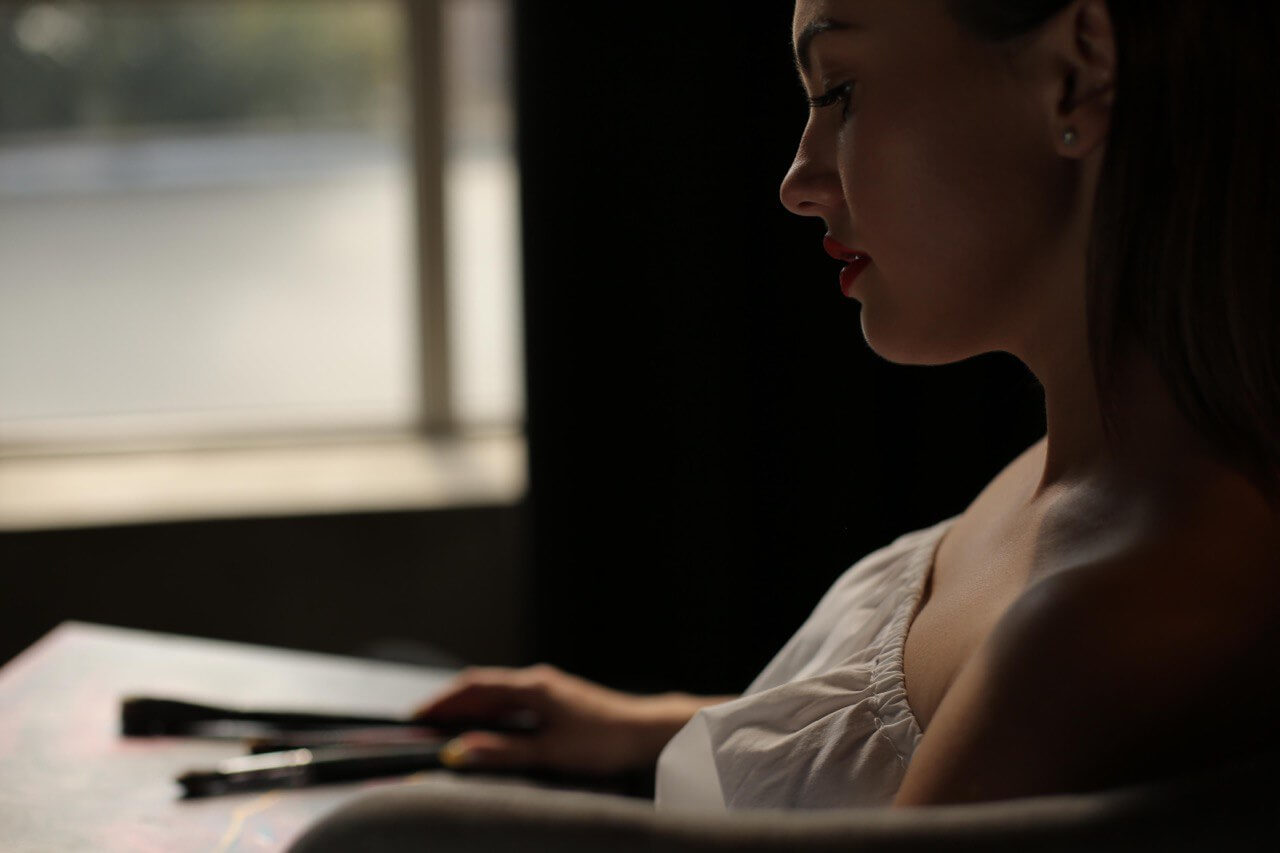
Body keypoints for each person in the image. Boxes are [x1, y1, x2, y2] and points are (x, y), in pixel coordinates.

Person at [412, 0, 1280, 809]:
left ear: (1075, 76)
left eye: (841, 92)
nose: (798, 181)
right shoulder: (1088, 486)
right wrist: (643, 727)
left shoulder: (1099, 629)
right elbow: (902, 739)